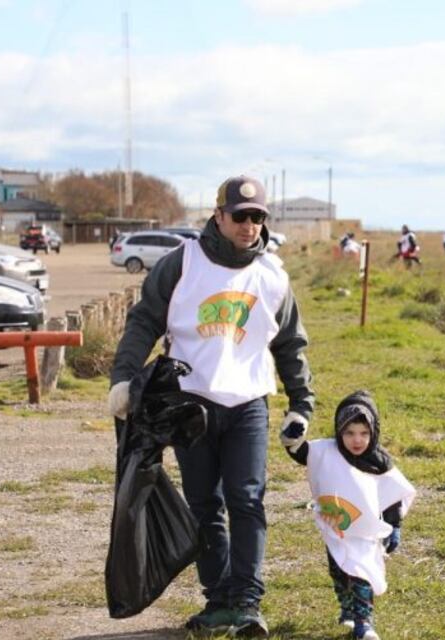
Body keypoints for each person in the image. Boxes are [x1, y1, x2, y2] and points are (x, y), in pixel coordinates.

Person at [107, 175, 315, 638]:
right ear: (218, 215)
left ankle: (247, 601)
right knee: (205, 504)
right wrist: (123, 377)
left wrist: (301, 402)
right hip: (191, 405)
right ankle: (218, 599)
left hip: (248, 406)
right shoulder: (184, 262)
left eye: (258, 217)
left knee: (247, 499)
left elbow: (290, 344)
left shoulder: (273, 276)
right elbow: (145, 320)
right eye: (240, 216)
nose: (249, 225)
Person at [282, 390, 415, 640]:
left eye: (364, 433)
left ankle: (364, 623)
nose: (357, 440)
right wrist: (292, 436)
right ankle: (347, 610)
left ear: (374, 431)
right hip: (337, 527)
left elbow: (393, 494)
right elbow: (301, 452)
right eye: (350, 433)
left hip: (365, 531)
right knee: (339, 572)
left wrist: (394, 526)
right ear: (339, 430)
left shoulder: (379, 461)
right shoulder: (326, 450)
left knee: (360, 573)